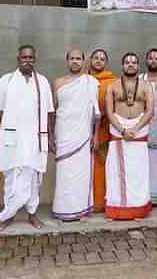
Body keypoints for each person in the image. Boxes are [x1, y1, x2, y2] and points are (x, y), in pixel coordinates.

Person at [0, 45, 55, 231]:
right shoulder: (7, 80)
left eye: (31, 57)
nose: (27, 60)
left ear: (35, 59)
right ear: (17, 59)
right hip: (12, 137)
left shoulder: (42, 81)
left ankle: (32, 215)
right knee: (12, 177)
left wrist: (51, 136)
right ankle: (9, 216)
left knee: (34, 177)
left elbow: (50, 111)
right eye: (24, 57)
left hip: (35, 138)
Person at [105, 53, 154, 219]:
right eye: (127, 62)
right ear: (122, 65)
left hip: (138, 131)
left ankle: (138, 208)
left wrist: (135, 128)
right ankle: (117, 208)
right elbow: (109, 112)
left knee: (138, 172)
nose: (130, 64)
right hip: (119, 131)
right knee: (116, 172)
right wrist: (122, 130)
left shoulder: (147, 86)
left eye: (134, 62)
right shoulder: (112, 86)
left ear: (138, 66)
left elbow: (150, 111)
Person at [52, 49, 100, 221]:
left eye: (78, 58)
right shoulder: (58, 83)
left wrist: (96, 136)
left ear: (83, 61)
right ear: (67, 61)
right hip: (63, 133)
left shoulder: (91, 82)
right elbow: (52, 111)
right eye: (72, 58)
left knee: (82, 173)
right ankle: (63, 209)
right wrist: (51, 136)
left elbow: (96, 113)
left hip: (83, 135)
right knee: (64, 174)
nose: (75, 61)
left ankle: (81, 210)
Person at [88, 48, 117, 213]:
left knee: (102, 165)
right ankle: (87, 202)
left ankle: (102, 202)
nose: (99, 60)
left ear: (106, 63)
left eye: (102, 58)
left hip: (105, 128)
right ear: (90, 60)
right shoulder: (83, 79)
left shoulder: (112, 81)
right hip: (83, 129)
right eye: (96, 57)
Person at [139, 48, 157, 207]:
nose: (153, 60)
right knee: (142, 162)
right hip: (143, 124)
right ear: (146, 61)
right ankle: (143, 196)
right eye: (151, 58)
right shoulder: (139, 79)